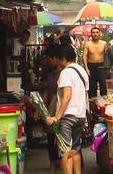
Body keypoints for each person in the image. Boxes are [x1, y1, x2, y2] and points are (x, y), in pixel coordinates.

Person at [46, 44, 89, 174]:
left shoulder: (65, 73)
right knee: (75, 150)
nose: (58, 62)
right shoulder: (82, 71)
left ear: (63, 58)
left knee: (65, 152)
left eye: (59, 59)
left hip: (68, 117)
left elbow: (67, 96)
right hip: (80, 116)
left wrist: (56, 117)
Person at [43, 44, 63, 174]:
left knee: (60, 142)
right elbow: (47, 91)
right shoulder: (51, 74)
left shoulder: (64, 74)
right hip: (50, 110)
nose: (48, 62)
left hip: (59, 112)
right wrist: (40, 108)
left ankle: (58, 165)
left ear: (55, 58)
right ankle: (53, 165)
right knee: (50, 141)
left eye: (49, 59)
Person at [83, 27, 108, 98]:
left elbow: (107, 56)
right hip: (91, 66)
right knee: (92, 88)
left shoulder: (104, 43)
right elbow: (84, 56)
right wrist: (86, 68)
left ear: (100, 34)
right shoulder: (87, 44)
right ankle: (92, 106)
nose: (95, 34)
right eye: (93, 32)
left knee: (103, 86)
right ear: (91, 34)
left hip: (102, 66)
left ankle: (104, 105)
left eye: (97, 32)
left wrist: (107, 68)